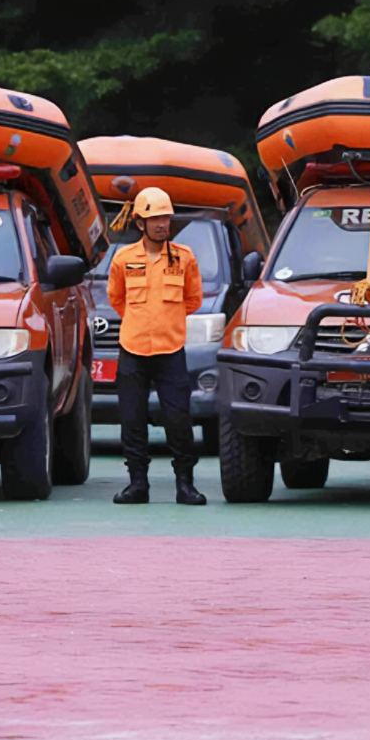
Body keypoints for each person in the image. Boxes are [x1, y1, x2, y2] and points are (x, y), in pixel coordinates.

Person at [105, 187, 206, 505]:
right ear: (140, 223)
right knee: (132, 420)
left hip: (171, 350)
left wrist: (165, 320)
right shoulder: (123, 259)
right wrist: (142, 320)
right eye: (155, 218)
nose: (163, 224)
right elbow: (117, 300)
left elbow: (193, 300)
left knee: (179, 419)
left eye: (166, 218)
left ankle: (185, 485)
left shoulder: (184, 258)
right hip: (132, 350)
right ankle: (137, 484)